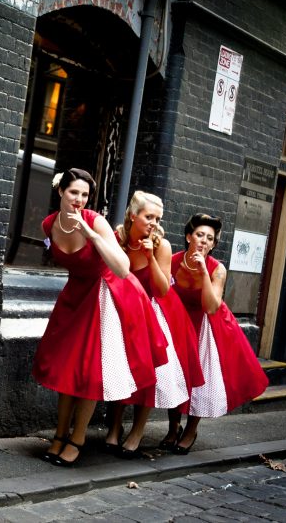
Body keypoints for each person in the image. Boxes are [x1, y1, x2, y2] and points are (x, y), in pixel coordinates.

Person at [31, 169, 167, 466]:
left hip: (107, 293)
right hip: (75, 295)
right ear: (61, 193)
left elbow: (122, 268)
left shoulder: (96, 221)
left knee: (90, 370)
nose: (79, 199)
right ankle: (59, 434)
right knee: (66, 367)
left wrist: (90, 233)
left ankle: (77, 438)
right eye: (73, 193)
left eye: (84, 194)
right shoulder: (48, 225)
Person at [103, 191, 204, 458]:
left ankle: (137, 431)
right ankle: (113, 428)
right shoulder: (117, 238)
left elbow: (161, 290)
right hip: (121, 309)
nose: (153, 223)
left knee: (148, 373)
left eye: (157, 218)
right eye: (149, 217)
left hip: (150, 311)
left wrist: (149, 258)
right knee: (119, 368)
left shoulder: (161, 245)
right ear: (133, 215)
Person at [168, 213, 269, 454]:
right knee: (175, 376)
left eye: (209, 238)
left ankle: (191, 429)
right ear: (188, 236)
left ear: (213, 245)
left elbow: (211, 306)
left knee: (200, 381)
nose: (203, 241)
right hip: (178, 323)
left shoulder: (217, 269)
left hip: (207, 325)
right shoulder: (172, 261)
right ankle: (173, 427)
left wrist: (203, 271)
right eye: (199, 235)